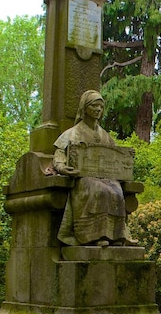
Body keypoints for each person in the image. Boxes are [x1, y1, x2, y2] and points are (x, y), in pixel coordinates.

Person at [53, 90, 136, 246]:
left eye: (101, 106)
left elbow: (116, 156)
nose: (98, 109)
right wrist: (62, 167)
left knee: (117, 192)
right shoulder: (72, 133)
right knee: (98, 190)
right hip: (84, 178)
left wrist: (127, 158)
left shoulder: (105, 136)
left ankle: (116, 235)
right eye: (94, 106)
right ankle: (95, 236)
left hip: (106, 177)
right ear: (84, 108)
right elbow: (59, 153)